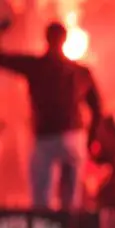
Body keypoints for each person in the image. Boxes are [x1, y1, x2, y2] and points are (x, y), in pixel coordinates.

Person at [0, 21, 102, 210]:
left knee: (41, 199)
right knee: (70, 202)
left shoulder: (36, 66)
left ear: (46, 39)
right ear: (65, 40)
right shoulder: (80, 72)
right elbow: (97, 108)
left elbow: (3, 59)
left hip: (45, 138)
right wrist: (92, 139)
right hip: (74, 137)